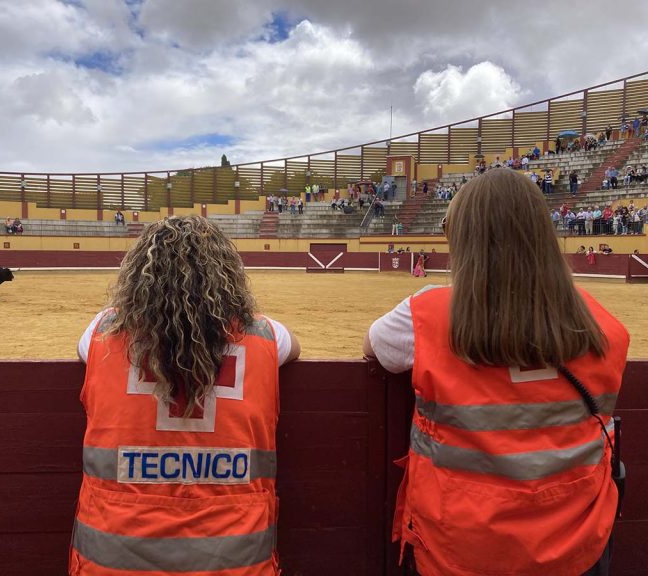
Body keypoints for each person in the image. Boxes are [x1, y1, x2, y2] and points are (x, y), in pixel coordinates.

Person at [363, 169, 628, 576]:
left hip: (459, 546)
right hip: (577, 545)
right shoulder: (602, 324)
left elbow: (375, 347)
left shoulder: (428, 312)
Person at [70, 216, 300, 575]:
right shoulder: (267, 337)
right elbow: (293, 348)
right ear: (227, 275)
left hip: (112, 558)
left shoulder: (103, 331)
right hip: (236, 562)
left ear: (139, 276)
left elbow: (88, 352)